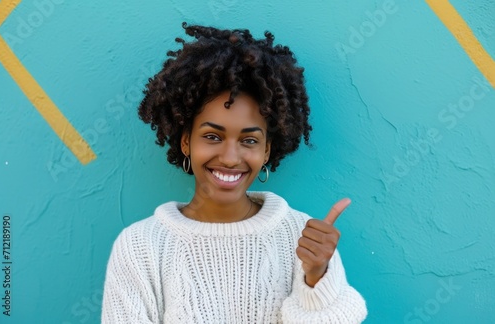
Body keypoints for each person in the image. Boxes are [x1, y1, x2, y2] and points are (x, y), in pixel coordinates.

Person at [101, 22, 367, 323]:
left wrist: (317, 278)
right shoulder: (140, 247)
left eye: (249, 140)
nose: (229, 158)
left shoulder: (303, 237)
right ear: (186, 141)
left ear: (267, 150)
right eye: (212, 137)